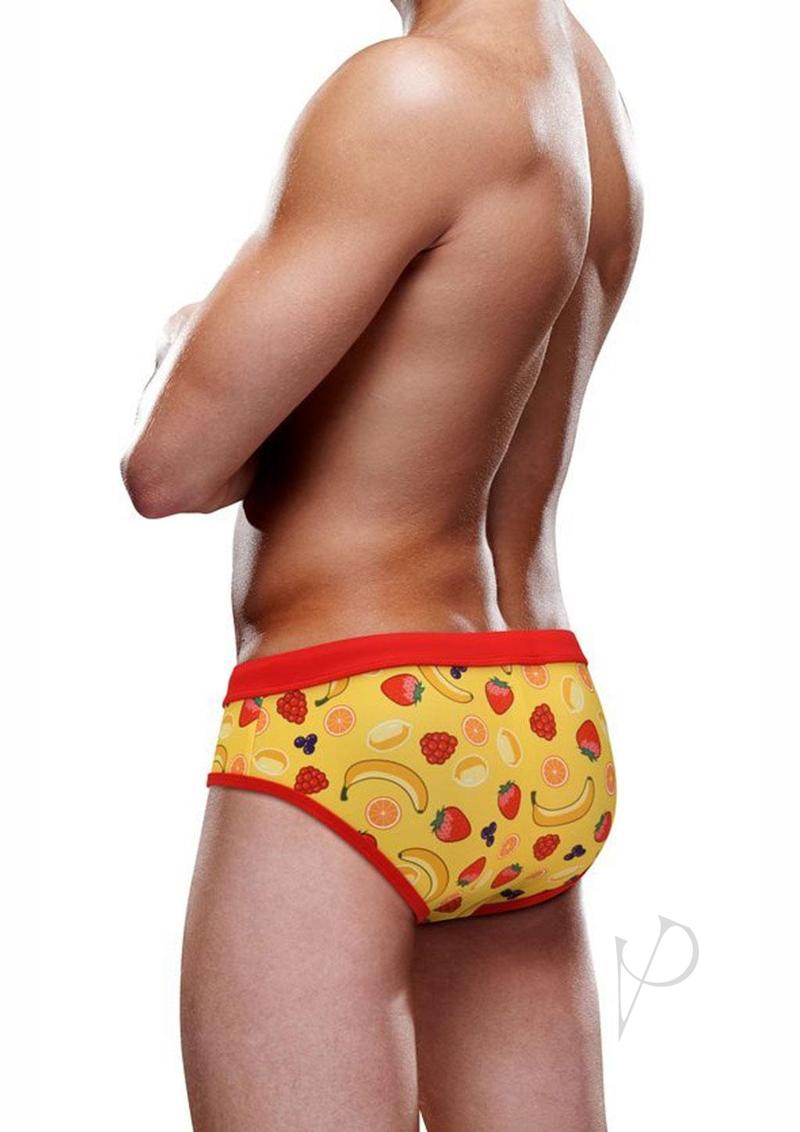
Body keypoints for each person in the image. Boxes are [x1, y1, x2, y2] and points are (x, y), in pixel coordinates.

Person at [121, 0, 642, 1127]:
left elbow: (171, 468)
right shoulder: (589, 96)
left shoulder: (410, 90)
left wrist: (181, 333)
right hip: (536, 714)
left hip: (355, 714)